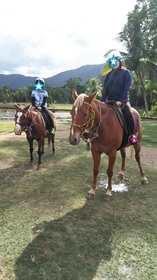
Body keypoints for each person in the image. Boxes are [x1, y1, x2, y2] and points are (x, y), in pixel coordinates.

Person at [101, 50, 138, 145]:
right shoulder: (108, 75)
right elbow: (105, 90)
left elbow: (126, 88)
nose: (114, 63)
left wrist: (120, 100)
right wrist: (102, 102)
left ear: (119, 60)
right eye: (111, 61)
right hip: (109, 102)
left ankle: (131, 135)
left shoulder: (126, 73)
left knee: (128, 114)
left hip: (123, 101)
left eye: (115, 60)